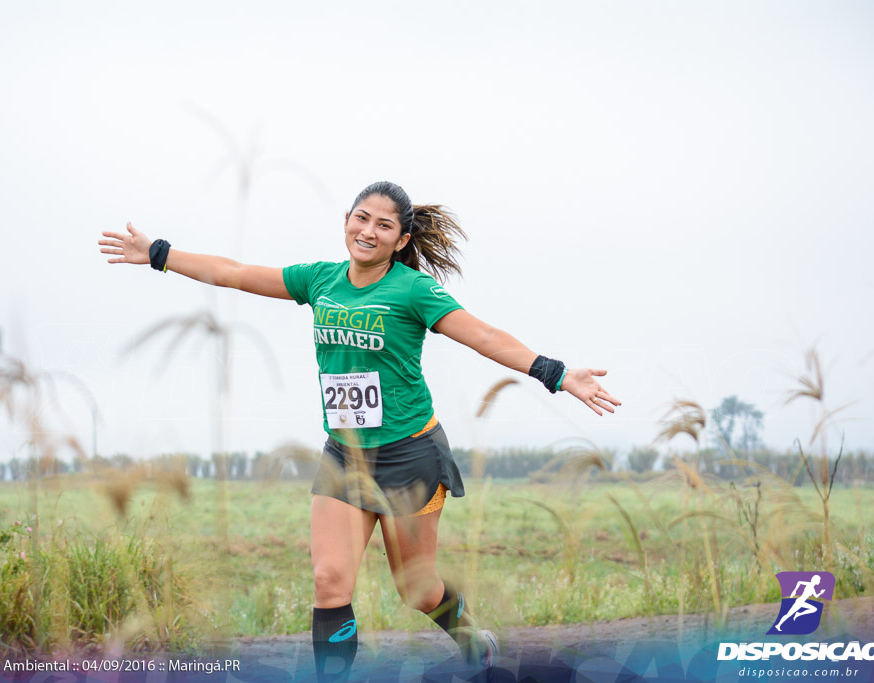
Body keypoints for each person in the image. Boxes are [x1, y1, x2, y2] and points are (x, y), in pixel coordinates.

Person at [99, 180, 621, 680]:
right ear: (346, 221)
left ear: (402, 240)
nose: (369, 231)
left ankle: (471, 640)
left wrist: (555, 373)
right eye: (361, 218)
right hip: (344, 455)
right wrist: (161, 253)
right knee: (329, 582)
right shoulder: (319, 279)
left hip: (410, 456)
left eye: (384, 225)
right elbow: (235, 272)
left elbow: (481, 335)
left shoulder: (412, 289)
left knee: (416, 590)